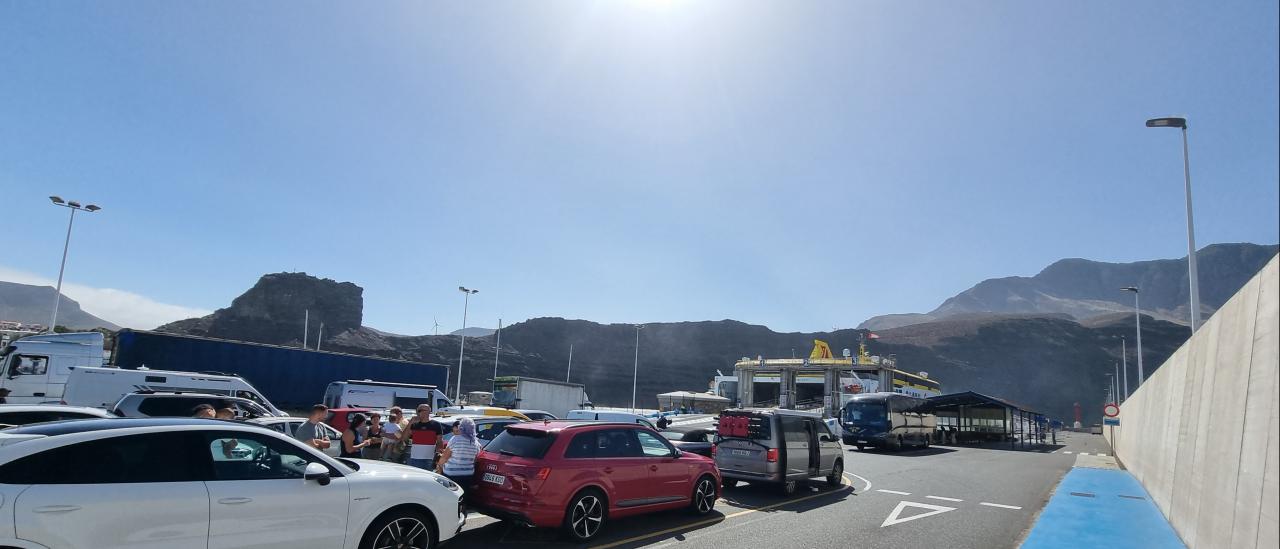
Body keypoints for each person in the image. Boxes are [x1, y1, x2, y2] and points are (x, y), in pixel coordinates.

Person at [438, 417, 481, 491]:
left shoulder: (455, 439)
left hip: (451, 475)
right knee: (463, 497)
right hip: (468, 475)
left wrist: (439, 468)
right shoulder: (476, 443)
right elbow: (474, 461)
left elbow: (444, 458)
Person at [401, 404, 445, 470]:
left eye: (420, 410)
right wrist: (410, 423)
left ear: (428, 412)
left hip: (430, 459)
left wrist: (438, 456)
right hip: (414, 459)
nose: (418, 412)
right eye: (417, 410)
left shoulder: (436, 424)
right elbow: (404, 438)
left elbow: (439, 441)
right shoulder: (414, 424)